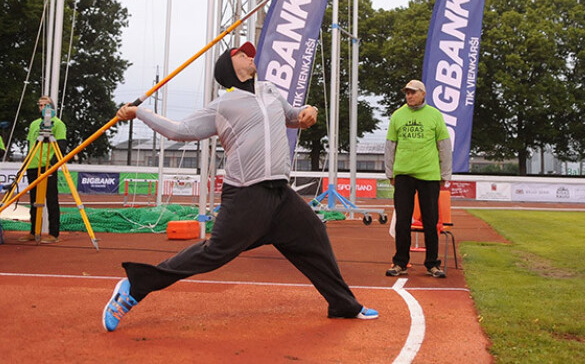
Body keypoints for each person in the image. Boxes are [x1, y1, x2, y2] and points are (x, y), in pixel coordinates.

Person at [102, 41, 378, 332]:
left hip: (280, 194)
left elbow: (294, 117)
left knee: (314, 235)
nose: (250, 56)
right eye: (242, 55)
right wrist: (139, 113)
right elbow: (180, 131)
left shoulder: (269, 90)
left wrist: (309, 110)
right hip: (247, 194)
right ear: (229, 67)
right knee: (213, 254)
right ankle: (134, 287)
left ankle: (342, 304)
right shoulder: (223, 105)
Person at [384, 79, 452, 278]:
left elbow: (444, 146)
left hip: (429, 175)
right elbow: (390, 145)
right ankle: (400, 263)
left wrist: (445, 173)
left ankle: (432, 264)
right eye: (407, 93)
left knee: (430, 221)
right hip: (403, 174)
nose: (409, 96)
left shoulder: (435, 115)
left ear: (423, 93)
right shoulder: (398, 115)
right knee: (402, 221)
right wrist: (390, 172)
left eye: (413, 92)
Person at [18, 96, 67, 244]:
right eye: (40, 105)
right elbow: (30, 144)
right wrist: (27, 161)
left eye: (45, 105)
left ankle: (54, 233)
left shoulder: (58, 124)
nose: (42, 108)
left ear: (51, 107)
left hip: (48, 167)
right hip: (33, 165)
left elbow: (61, 147)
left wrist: (52, 164)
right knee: (34, 201)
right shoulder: (34, 124)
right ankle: (34, 231)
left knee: (51, 200)